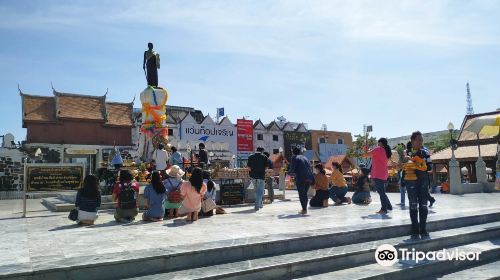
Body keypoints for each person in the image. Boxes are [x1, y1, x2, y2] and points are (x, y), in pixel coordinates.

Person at [407, 131, 431, 238]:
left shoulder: (425, 152)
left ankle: (423, 228)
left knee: (423, 205)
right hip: (411, 182)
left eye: (421, 140)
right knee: (413, 205)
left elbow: (429, 167)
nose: (420, 142)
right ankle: (415, 229)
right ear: (412, 141)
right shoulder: (406, 153)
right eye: (418, 140)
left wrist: (420, 161)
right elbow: (402, 167)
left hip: (423, 181)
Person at [288, 147, 314, 215]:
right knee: (304, 194)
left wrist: (289, 172)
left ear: (293, 152)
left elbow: (292, 168)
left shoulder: (294, 157)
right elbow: (309, 167)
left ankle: (304, 209)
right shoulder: (305, 158)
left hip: (301, 178)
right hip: (309, 178)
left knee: (302, 194)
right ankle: (304, 208)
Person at [370, 138, 393, 214]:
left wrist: (365, 149)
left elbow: (366, 154)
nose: (377, 144)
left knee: (381, 192)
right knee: (381, 192)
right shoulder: (385, 151)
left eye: (378, 143)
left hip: (378, 174)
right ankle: (388, 206)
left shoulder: (378, 149)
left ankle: (384, 209)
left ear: (381, 143)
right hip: (383, 174)